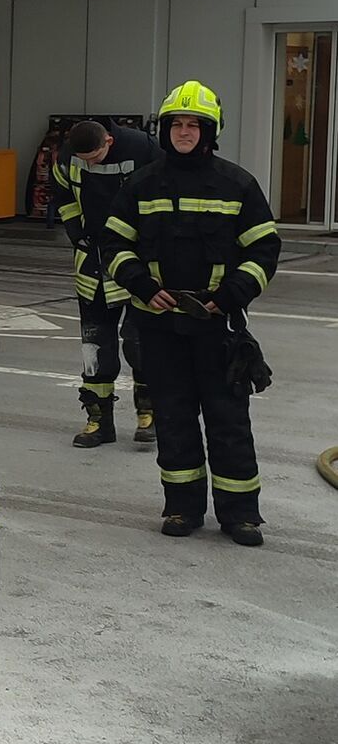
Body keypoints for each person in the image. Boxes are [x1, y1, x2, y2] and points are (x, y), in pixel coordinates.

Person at [100, 82, 280, 545]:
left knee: (228, 420)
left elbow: (263, 249)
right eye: (176, 124)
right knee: (175, 418)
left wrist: (233, 294)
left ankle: (241, 515)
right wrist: (141, 285)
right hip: (159, 324)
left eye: (193, 125)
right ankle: (182, 508)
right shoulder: (140, 185)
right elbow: (114, 243)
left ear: (209, 131)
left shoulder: (237, 184)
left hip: (216, 324)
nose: (184, 132)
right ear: (164, 130)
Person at [50, 117, 159, 448]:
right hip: (92, 265)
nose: (90, 164)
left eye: (94, 157)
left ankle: (149, 416)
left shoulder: (142, 149)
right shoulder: (69, 156)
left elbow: (164, 195)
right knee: (95, 348)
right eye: (84, 160)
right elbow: (63, 193)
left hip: (138, 265)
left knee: (141, 345)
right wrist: (75, 233)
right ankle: (99, 421)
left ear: (109, 141)